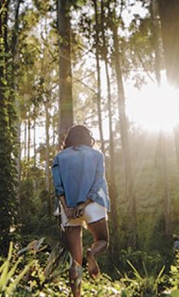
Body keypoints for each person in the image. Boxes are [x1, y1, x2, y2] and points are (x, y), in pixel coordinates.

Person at [51, 125, 110, 297]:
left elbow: (58, 187)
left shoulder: (59, 157)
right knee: (103, 240)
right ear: (87, 138)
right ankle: (92, 253)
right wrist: (84, 205)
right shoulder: (97, 155)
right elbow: (98, 183)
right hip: (92, 204)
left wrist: (68, 208)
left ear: (69, 138)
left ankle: (76, 295)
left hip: (68, 209)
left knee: (74, 260)